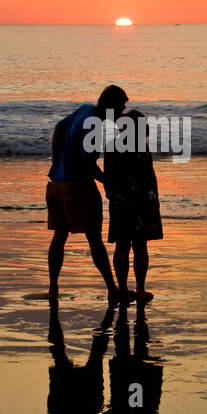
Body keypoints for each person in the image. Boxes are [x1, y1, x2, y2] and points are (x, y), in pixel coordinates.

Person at [46, 85, 129, 302]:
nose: (122, 112)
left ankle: (53, 288)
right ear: (110, 107)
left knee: (59, 236)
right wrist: (108, 183)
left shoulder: (84, 110)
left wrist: (57, 163)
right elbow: (87, 165)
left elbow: (58, 128)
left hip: (56, 185)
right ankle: (112, 289)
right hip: (77, 188)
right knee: (94, 238)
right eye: (121, 107)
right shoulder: (96, 127)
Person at [102, 98, 163, 305]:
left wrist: (110, 194)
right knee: (140, 246)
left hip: (122, 202)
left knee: (122, 246)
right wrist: (156, 198)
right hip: (143, 201)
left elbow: (107, 175)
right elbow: (151, 175)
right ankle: (140, 289)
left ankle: (123, 288)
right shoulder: (141, 147)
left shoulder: (113, 147)